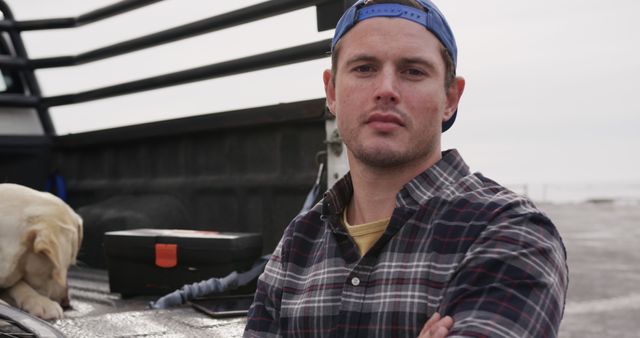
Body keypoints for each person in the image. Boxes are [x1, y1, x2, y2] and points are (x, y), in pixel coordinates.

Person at [244, 0, 568, 337]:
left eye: (413, 71)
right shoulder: (300, 240)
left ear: (451, 98)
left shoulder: (511, 232)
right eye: (364, 68)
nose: (386, 90)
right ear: (332, 92)